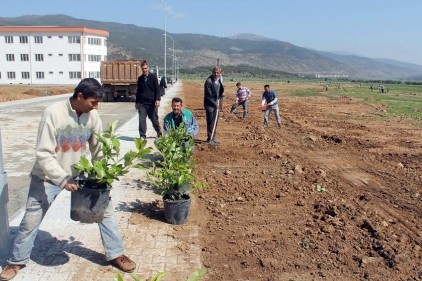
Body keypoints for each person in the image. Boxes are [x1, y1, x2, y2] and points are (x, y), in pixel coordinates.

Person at [0, 78, 136, 281]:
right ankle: (16, 260)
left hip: (79, 174)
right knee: (31, 219)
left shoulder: (92, 116)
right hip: (47, 176)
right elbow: (43, 153)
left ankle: (116, 253)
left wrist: (103, 174)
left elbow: (98, 148)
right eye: (93, 102)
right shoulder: (53, 113)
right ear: (80, 96)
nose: (96, 106)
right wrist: (62, 179)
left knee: (105, 210)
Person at [135, 61, 162, 138]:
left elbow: (157, 89)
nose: (144, 70)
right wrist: (136, 102)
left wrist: (158, 99)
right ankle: (142, 136)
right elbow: (138, 91)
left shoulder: (153, 77)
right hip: (142, 103)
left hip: (152, 104)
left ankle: (158, 131)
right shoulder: (140, 79)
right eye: (143, 69)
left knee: (154, 120)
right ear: (141, 69)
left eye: (145, 68)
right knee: (142, 120)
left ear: (148, 68)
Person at [204, 66, 224, 145]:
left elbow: (220, 92)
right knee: (210, 122)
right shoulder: (208, 81)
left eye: (217, 72)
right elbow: (208, 96)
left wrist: (220, 102)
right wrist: (216, 105)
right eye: (214, 72)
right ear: (212, 72)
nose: (216, 74)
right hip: (210, 104)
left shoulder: (220, 79)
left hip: (216, 103)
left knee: (215, 122)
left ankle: (213, 138)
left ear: (220, 73)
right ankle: (209, 139)